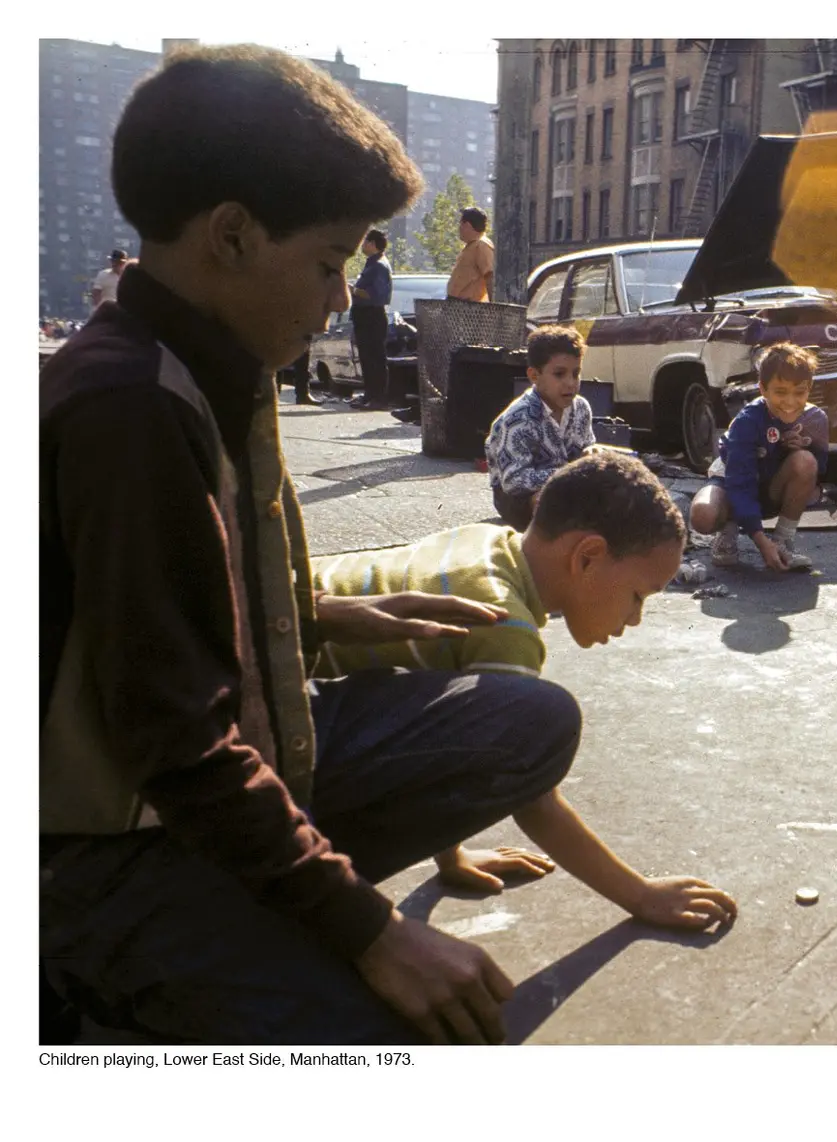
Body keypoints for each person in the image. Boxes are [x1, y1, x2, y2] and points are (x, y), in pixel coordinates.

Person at [40, 44, 726, 1048]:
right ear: (231, 235)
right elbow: (171, 737)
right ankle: (98, 982)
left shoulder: (215, 366)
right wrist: (370, 931)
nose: (337, 299)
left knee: (523, 720)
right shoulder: (131, 406)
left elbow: (169, 614)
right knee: (418, 1028)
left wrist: (326, 616)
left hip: (232, 766)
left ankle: (270, 895)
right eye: (329, 263)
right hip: (112, 848)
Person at [313, 450, 738, 911]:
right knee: (536, 730)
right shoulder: (504, 624)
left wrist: (449, 853)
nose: (635, 618)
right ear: (588, 556)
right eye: (638, 596)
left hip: (278, 669)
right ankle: (309, 889)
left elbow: (437, 700)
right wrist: (641, 895)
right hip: (281, 719)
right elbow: (535, 801)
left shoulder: (486, 545)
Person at [689, 342, 827, 572]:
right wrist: (761, 542)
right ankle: (728, 531)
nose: (790, 402)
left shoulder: (815, 419)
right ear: (763, 389)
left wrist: (794, 450)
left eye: (799, 392)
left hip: (771, 488)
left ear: (809, 389)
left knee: (806, 462)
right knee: (703, 514)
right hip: (732, 485)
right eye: (780, 392)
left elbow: (820, 470)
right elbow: (739, 481)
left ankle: (783, 542)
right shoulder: (748, 421)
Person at [485, 324, 596, 531]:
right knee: (546, 502)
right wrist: (571, 471)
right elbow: (514, 481)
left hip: (566, 484)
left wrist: (590, 453)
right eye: (559, 374)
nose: (571, 383)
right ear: (534, 376)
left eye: (576, 373)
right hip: (517, 497)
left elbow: (586, 446)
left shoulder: (581, 408)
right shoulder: (518, 419)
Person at [346, 228, 395, 409]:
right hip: (363, 316)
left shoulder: (379, 266)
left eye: (365, 241)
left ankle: (379, 398)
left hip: (372, 316)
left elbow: (377, 295)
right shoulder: (371, 264)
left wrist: (354, 290)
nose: (362, 245)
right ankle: (369, 394)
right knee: (366, 357)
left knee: (375, 358)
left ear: (373, 244)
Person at [447, 206, 495, 302]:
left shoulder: (481, 245)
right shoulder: (471, 246)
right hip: (456, 306)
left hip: (468, 308)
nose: (459, 228)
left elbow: (489, 276)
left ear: (467, 225)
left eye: (461, 224)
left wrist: (493, 306)